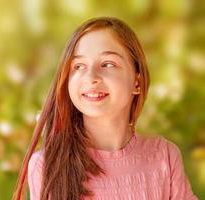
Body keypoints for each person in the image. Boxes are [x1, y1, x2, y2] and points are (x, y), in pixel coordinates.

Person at [12, 17, 199, 200]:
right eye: (78, 66)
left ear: (136, 82)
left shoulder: (164, 156)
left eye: (108, 64)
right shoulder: (46, 166)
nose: (91, 76)